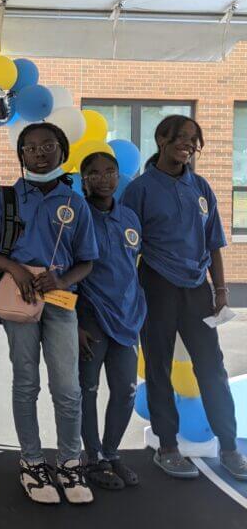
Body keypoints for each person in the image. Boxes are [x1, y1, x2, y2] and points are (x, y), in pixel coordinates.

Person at [0, 122, 98, 505]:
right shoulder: (7, 199)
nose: (40, 153)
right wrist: (16, 269)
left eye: (48, 146)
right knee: (26, 382)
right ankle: (31, 461)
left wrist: (62, 281)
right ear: (21, 154)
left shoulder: (75, 202)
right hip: (20, 298)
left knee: (68, 387)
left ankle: (70, 462)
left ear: (62, 150)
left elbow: (87, 261)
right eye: (31, 147)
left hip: (60, 303)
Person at [122, 115, 247, 481]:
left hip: (197, 291)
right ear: (161, 138)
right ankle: (168, 447)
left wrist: (221, 291)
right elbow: (128, 249)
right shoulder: (139, 189)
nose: (189, 145)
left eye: (194, 140)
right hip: (156, 286)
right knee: (158, 369)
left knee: (212, 369)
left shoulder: (201, 187)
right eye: (182, 138)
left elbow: (215, 244)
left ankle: (228, 448)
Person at [76, 152, 145, 490]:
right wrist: (74, 323)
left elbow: (134, 265)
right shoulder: (76, 216)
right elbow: (67, 270)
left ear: (118, 176)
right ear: (83, 178)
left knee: (126, 391)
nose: (104, 178)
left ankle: (111, 452)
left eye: (110, 172)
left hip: (127, 319)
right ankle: (92, 458)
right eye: (95, 173)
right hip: (91, 318)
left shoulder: (130, 217)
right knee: (87, 391)